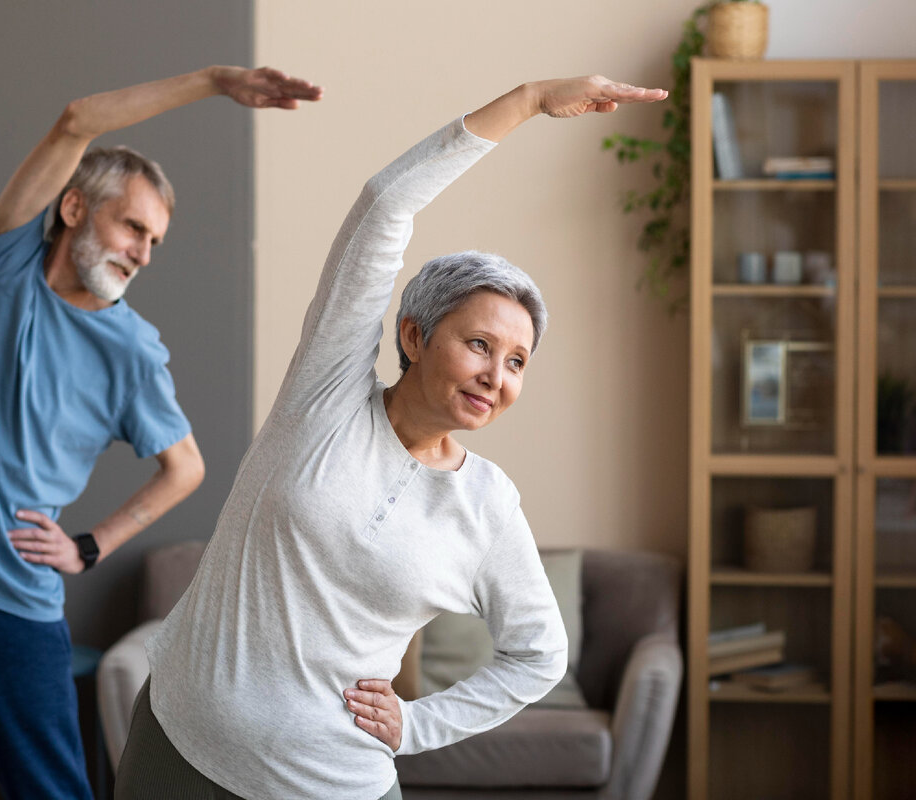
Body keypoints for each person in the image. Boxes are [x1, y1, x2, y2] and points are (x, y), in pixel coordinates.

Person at [114, 75, 667, 800]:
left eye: (517, 362)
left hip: (331, 784)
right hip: (177, 751)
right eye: (478, 343)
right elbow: (386, 202)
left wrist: (418, 725)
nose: (495, 375)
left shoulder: (486, 504)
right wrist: (529, 102)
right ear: (413, 334)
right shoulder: (326, 397)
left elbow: (539, 655)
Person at [0, 66, 323, 799]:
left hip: (11, 600)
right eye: (133, 227)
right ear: (74, 206)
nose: (142, 252)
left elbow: (186, 467)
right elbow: (77, 120)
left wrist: (89, 545)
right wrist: (217, 83)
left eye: (154, 241)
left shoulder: (132, 350)